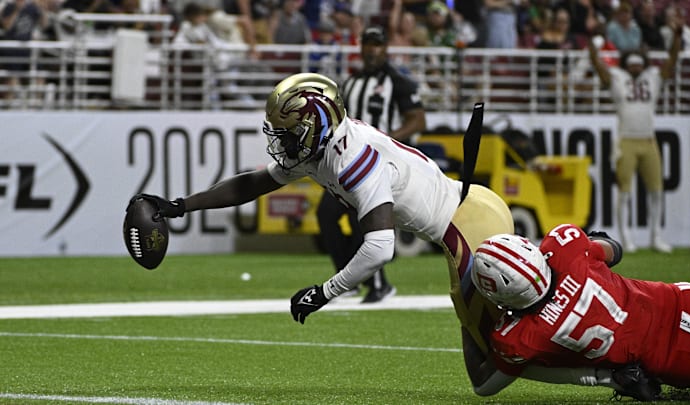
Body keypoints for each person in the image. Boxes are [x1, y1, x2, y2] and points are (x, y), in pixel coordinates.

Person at [132, 72, 654, 397]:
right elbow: (253, 183)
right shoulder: (320, 147)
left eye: (289, 131)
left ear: (315, 123)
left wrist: (325, 292)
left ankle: (613, 373)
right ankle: (593, 252)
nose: (281, 141)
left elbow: (380, 247)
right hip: (469, 215)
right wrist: (180, 205)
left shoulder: (352, 157)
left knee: (490, 373)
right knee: (501, 349)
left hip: (468, 232)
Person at [466, 224, 690, 398]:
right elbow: (614, 250)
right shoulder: (567, 247)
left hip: (670, 361)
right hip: (688, 302)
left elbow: (483, 385)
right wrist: (595, 243)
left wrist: (465, 311)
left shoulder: (521, 338)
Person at [315, 25, 427, 303]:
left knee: (361, 219)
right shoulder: (350, 83)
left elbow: (417, 120)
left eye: (377, 44)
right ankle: (348, 279)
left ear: (385, 48)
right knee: (326, 214)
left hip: (377, 163)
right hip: (347, 162)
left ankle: (377, 284)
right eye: (368, 44)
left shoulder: (398, 82)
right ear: (361, 47)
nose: (372, 49)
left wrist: (386, 139)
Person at [587, 19, 682, 253]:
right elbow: (599, 67)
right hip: (626, 140)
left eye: (639, 64)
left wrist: (677, 37)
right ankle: (626, 236)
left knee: (657, 189)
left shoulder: (653, 76)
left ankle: (656, 236)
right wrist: (592, 43)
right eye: (633, 65)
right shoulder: (618, 77)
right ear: (627, 65)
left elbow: (671, 63)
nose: (636, 68)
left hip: (649, 139)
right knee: (625, 190)